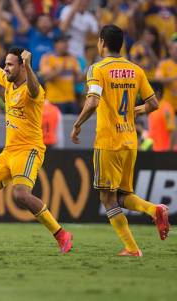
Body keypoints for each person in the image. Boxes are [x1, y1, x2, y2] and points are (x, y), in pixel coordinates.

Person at [70, 25, 169, 257]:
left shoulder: (97, 68)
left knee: (107, 198)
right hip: (130, 141)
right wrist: (135, 111)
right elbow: (153, 104)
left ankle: (133, 248)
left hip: (108, 142)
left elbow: (93, 101)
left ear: (102, 42)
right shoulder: (136, 69)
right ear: (121, 44)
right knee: (123, 196)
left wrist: (77, 124)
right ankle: (154, 210)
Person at [0, 47, 73, 254]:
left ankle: (61, 234)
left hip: (29, 150)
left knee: (20, 195)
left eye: (10, 64)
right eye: (6, 64)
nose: (6, 68)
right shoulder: (7, 81)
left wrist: (29, 66)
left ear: (22, 66)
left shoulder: (33, 90)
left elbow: (35, 88)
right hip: (9, 151)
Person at [39, 34, 82, 114]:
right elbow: (45, 78)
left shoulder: (72, 58)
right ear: (55, 44)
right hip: (54, 101)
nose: (66, 44)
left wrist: (79, 75)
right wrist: (59, 70)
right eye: (63, 42)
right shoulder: (47, 58)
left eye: (66, 42)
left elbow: (78, 80)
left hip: (70, 100)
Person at [155, 38, 177, 111]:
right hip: (169, 105)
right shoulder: (164, 64)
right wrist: (173, 78)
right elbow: (158, 78)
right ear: (170, 51)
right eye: (175, 49)